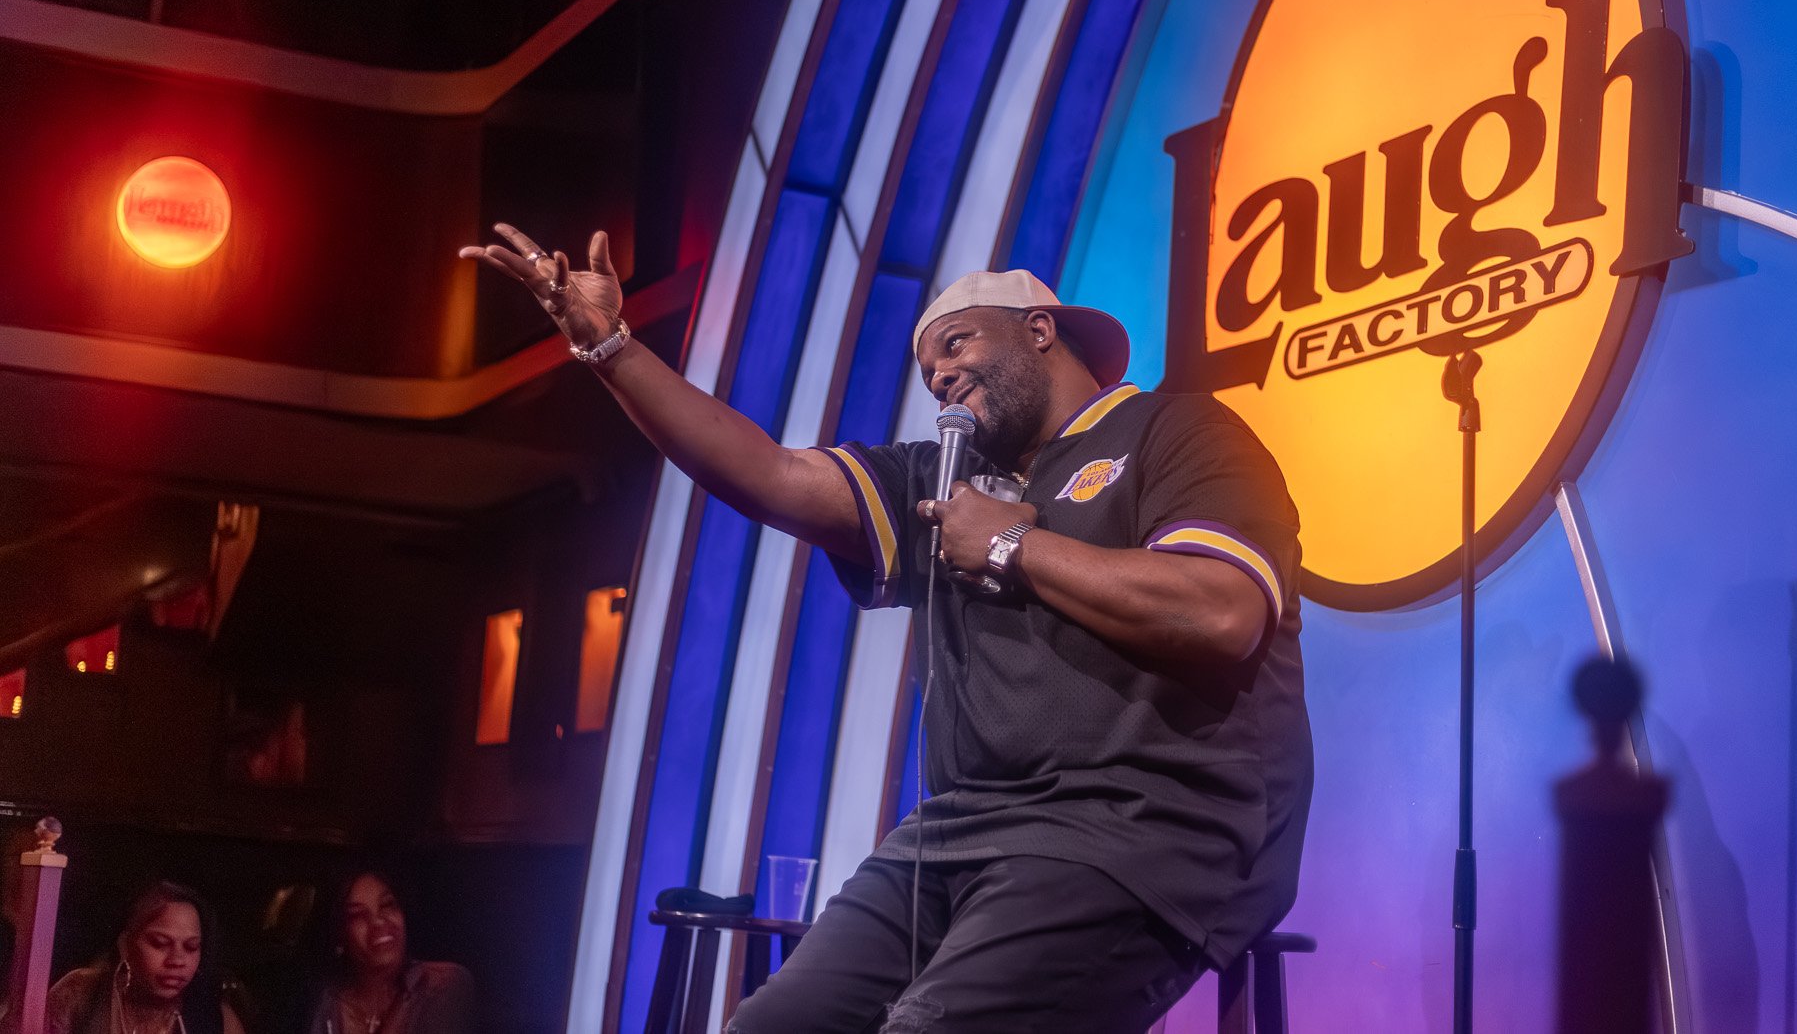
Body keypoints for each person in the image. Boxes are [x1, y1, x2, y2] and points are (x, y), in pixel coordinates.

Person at [461, 227, 1313, 1033]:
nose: (937, 375)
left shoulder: (1174, 429)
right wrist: (612, 350)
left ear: (1041, 330)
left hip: (1137, 830)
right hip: (959, 830)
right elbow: (772, 473)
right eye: (925, 366)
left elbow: (1222, 611)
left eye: (957, 344)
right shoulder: (943, 481)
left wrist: (1013, 543)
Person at [42, 881, 243, 1034]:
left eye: (191, 947)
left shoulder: (214, 1017)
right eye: (160, 943)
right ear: (125, 943)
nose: (177, 960)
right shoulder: (80, 994)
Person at [302, 869, 475, 1034]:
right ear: (339, 934)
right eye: (358, 914)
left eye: (387, 905)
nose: (378, 921)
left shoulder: (441, 984)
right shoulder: (326, 1001)